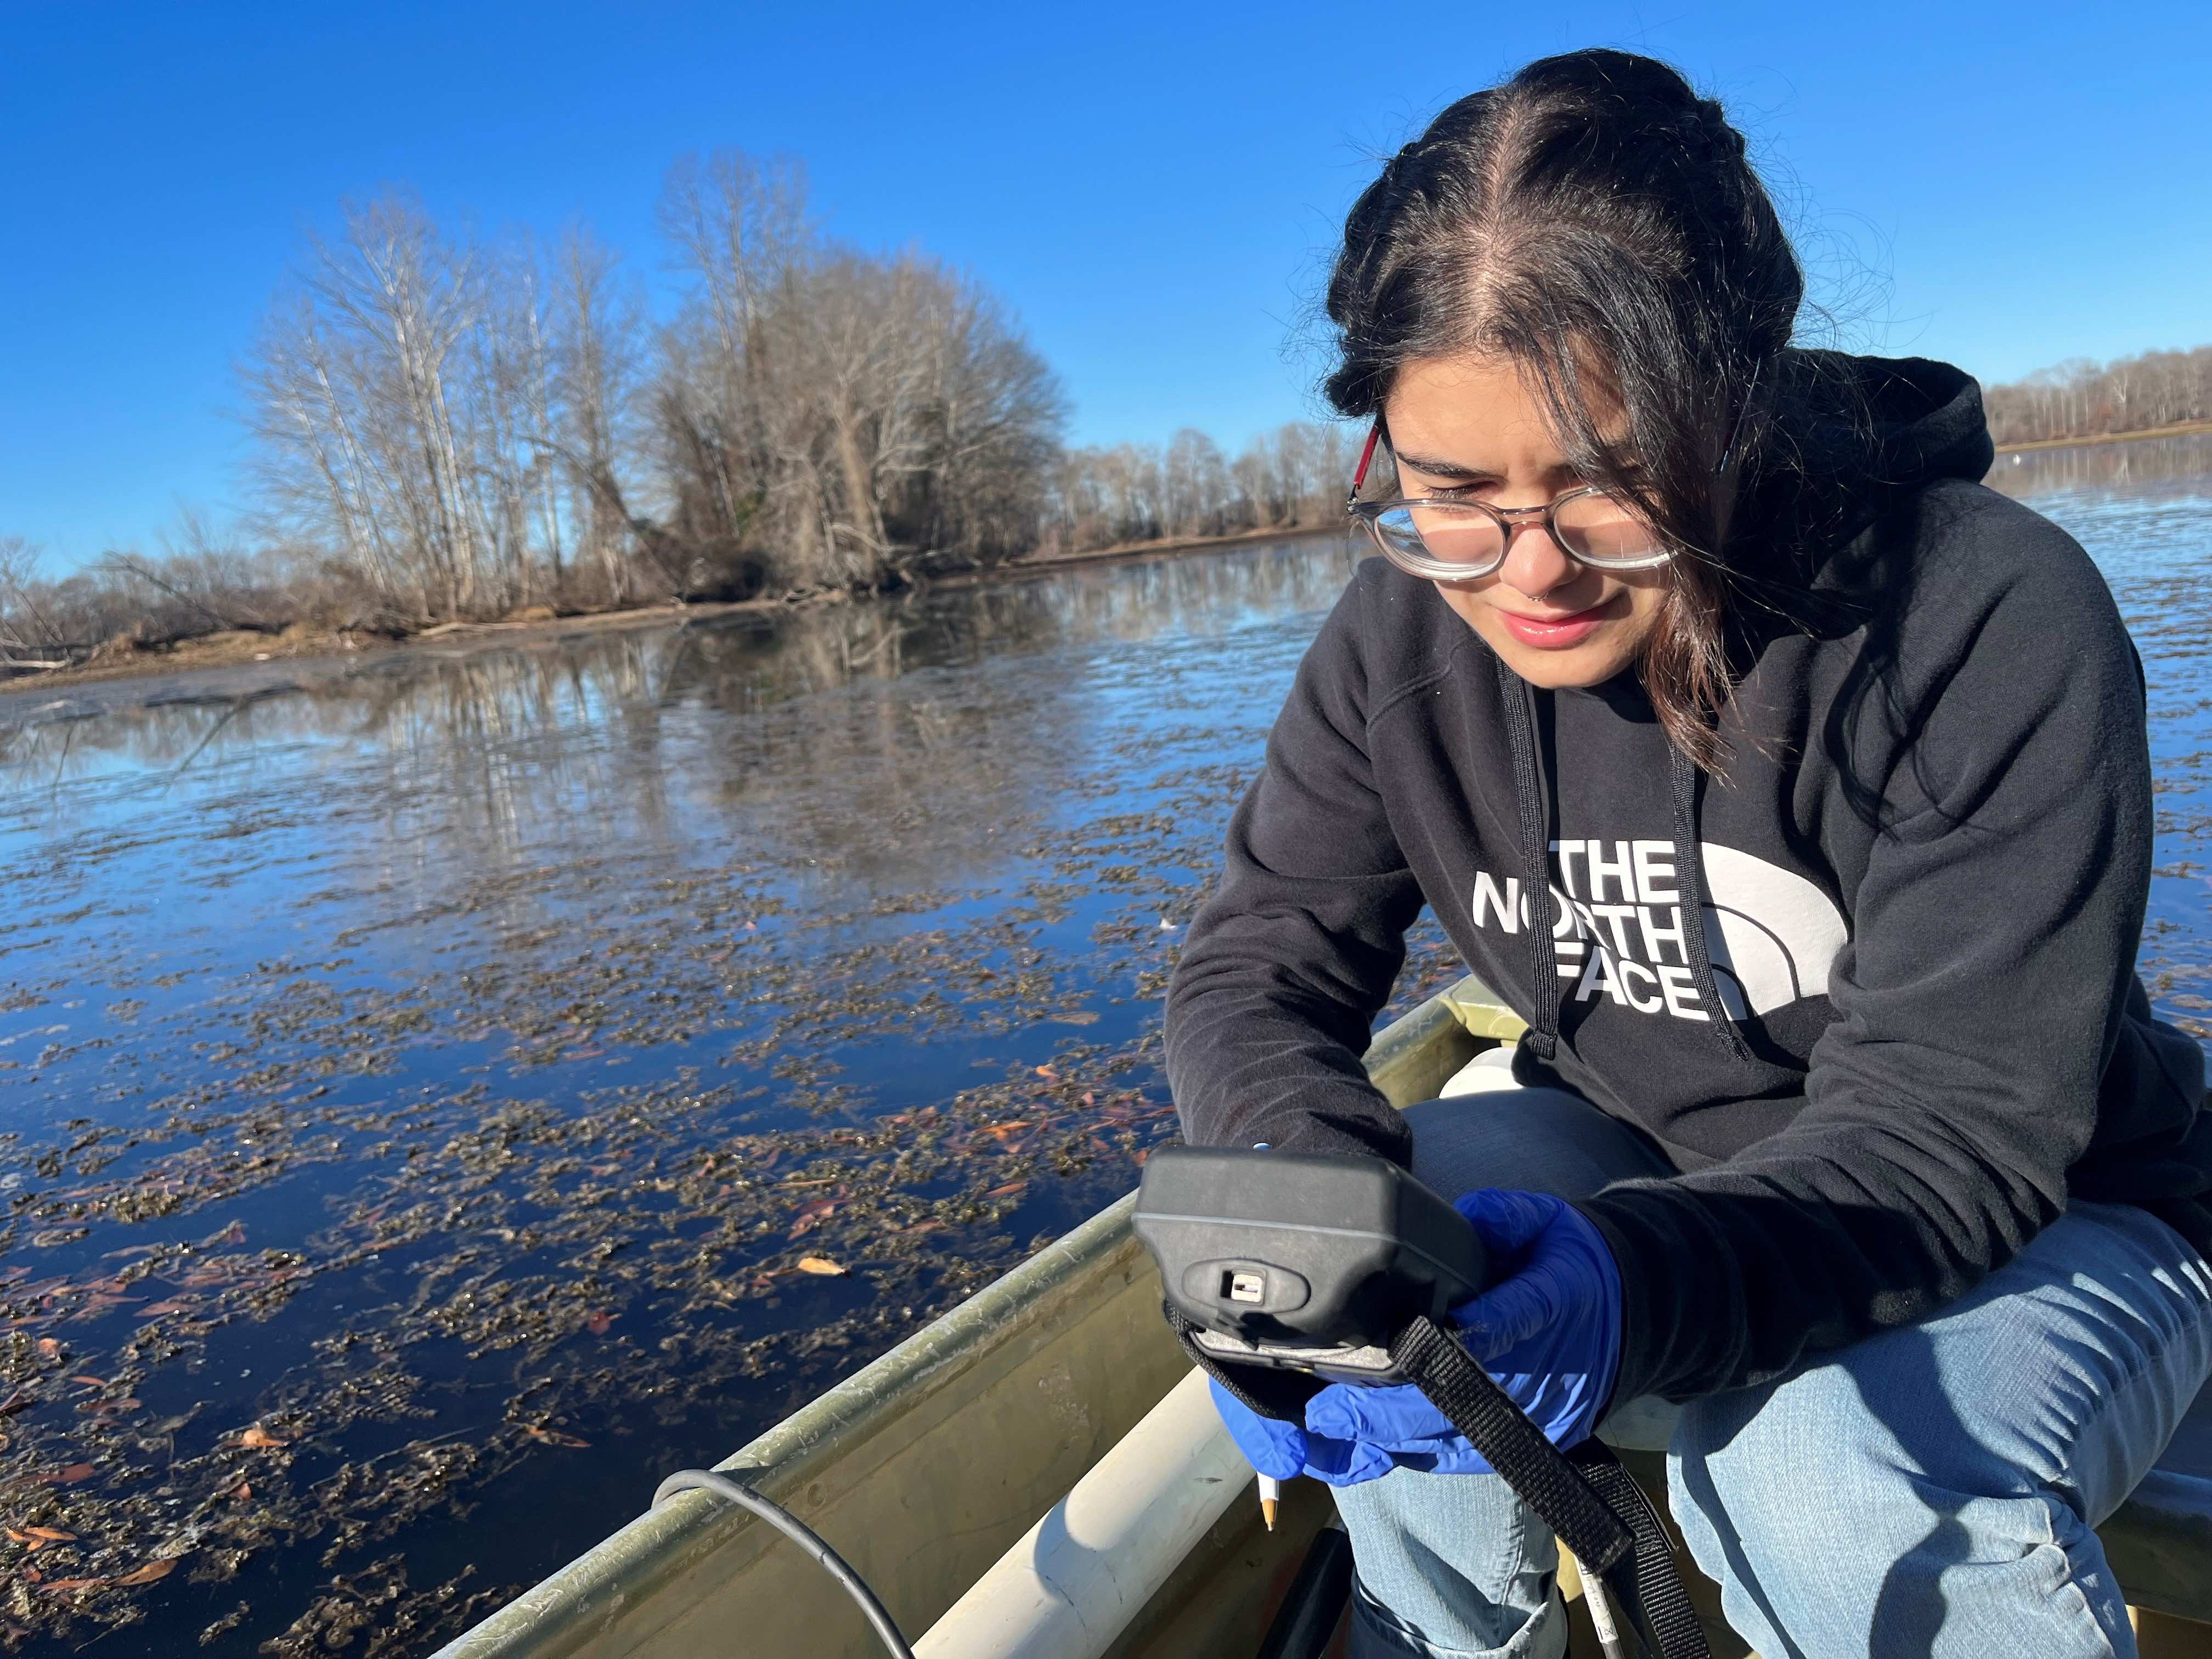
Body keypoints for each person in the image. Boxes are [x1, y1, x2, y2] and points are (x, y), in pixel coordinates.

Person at [1163, 48, 2212, 1659]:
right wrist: (1302, 1217)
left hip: (2057, 1208)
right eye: (1452, 497)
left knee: (1819, 1469)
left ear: (1737, 399)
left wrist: (1630, 1291)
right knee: (1389, 1274)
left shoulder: (1987, 618)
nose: (1531, 576)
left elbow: (1949, 1142)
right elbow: (1259, 958)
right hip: (1647, 1152)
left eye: (1609, 489)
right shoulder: (1400, 635)